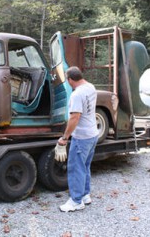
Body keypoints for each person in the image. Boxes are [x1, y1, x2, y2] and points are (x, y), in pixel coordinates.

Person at [58, 66, 99, 212]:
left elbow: (75, 117)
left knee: (76, 168)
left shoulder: (77, 95)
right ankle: (85, 195)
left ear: (70, 79)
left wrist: (64, 137)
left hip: (81, 137)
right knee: (85, 166)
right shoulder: (91, 87)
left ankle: (76, 201)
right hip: (93, 134)